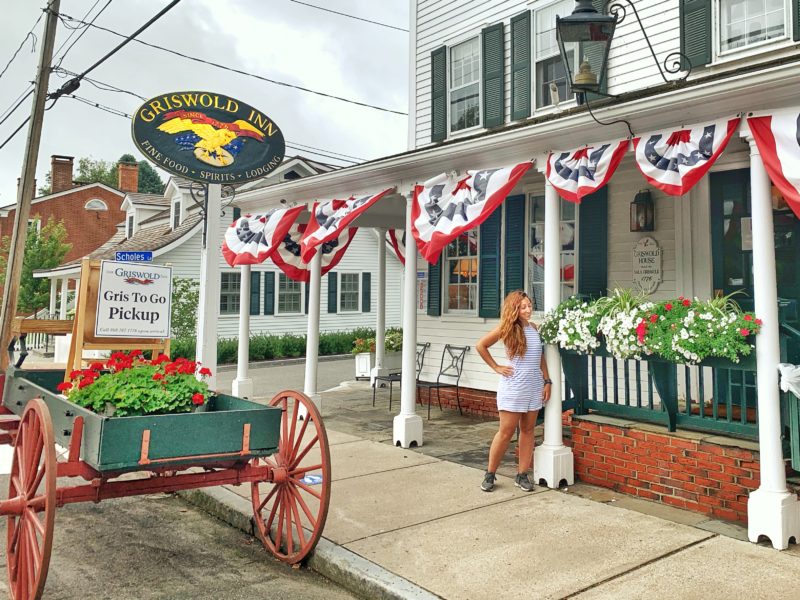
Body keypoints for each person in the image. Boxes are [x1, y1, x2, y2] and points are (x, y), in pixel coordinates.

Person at [475, 290, 551, 492]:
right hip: (514, 386)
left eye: (530, 305)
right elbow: (481, 345)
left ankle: (522, 474)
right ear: (514, 309)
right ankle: (490, 473)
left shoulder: (534, 328)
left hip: (534, 385)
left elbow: (540, 357)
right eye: (523, 307)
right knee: (506, 432)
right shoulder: (507, 328)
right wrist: (496, 367)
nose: (528, 310)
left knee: (528, 430)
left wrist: (547, 380)